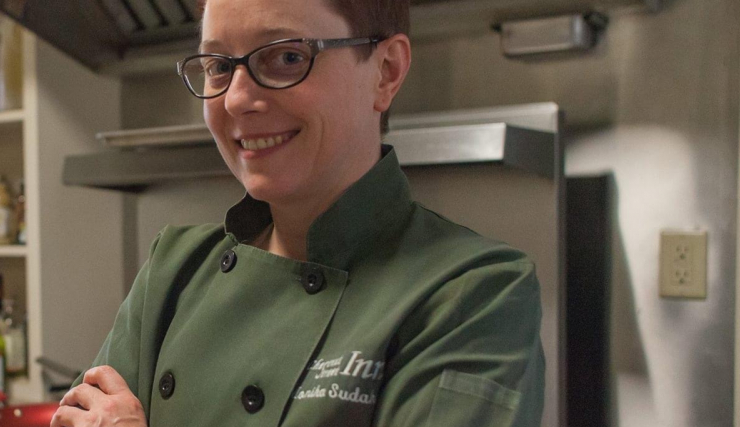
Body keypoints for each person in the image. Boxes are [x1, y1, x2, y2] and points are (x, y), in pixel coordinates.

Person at [49, 0, 545, 425]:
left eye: (287, 57)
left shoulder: (472, 293)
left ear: (386, 71)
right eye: (219, 65)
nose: (238, 98)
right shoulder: (173, 268)